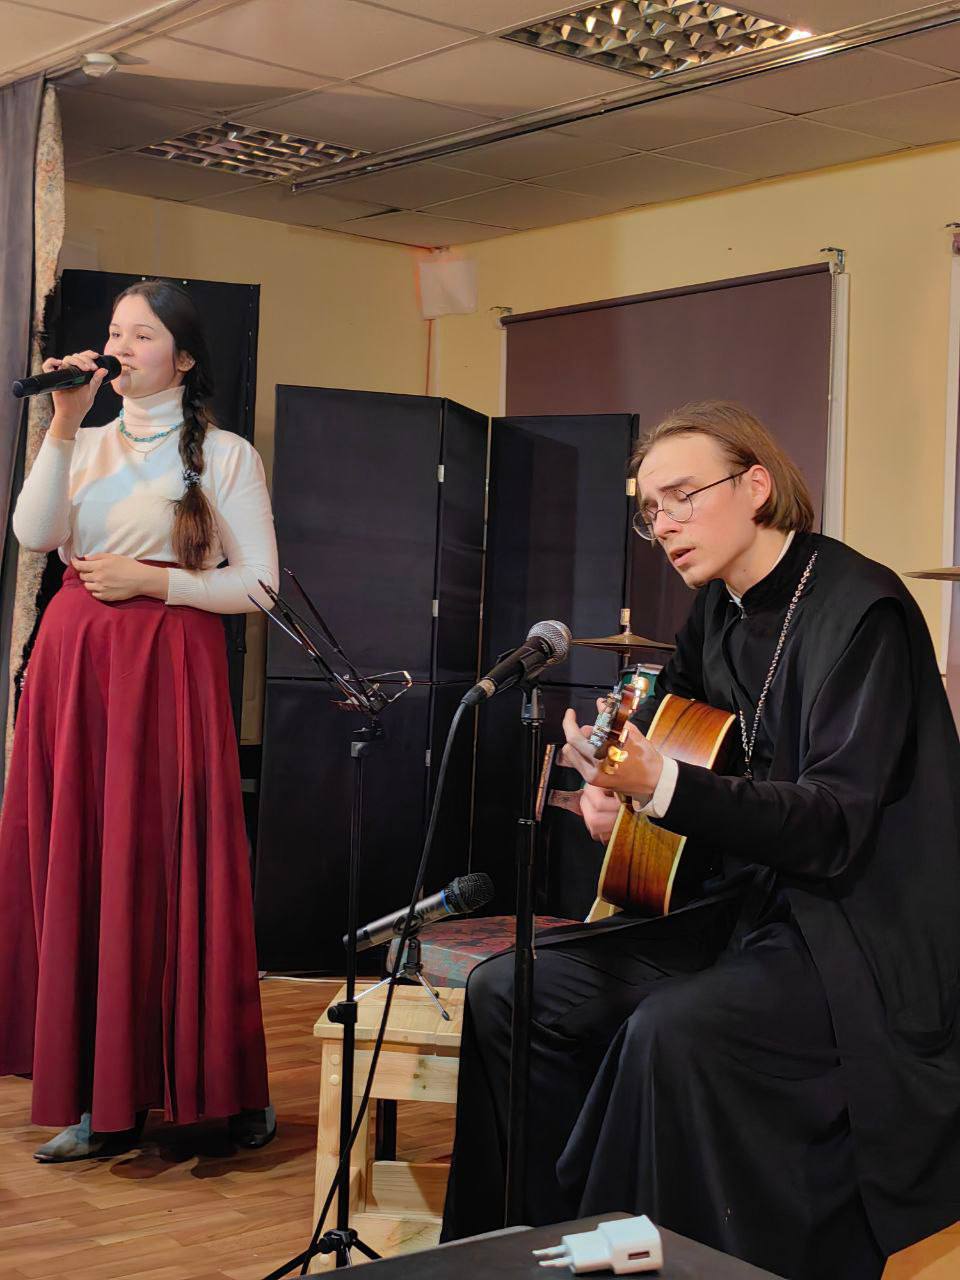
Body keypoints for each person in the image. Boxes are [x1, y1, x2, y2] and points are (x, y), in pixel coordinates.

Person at [441, 401, 960, 1279]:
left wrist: (661, 788)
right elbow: (667, 756)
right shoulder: (715, 613)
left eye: (682, 496)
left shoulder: (863, 611)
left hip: (856, 935)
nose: (665, 525)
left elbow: (833, 822)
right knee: (513, 990)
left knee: (672, 1032)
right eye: (651, 511)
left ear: (756, 485)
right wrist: (614, 799)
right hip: (745, 907)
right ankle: (524, 1256)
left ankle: (649, 1262)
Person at [0, 279, 280, 1162]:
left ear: (184, 358)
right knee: (86, 865)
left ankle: (222, 1088)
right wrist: (61, 423)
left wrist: (156, 582)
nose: (119, 347)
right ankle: (98, 1098)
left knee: (166, 865)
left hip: (166, 666)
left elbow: (260, 585)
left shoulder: (226, 455)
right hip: (77, 667)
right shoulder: (81, 441)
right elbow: (33, 534)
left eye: (142, 335)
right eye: (115, 333)